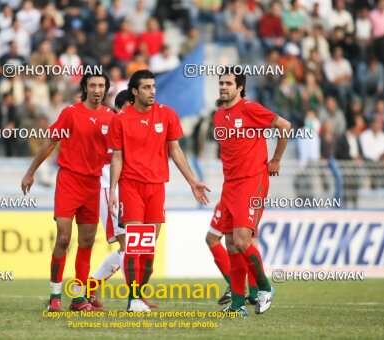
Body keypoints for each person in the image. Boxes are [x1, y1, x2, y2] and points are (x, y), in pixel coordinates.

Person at [108, 70, 210, 312]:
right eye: (146, 87)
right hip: (131, 186)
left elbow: (175, 150)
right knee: (135, 244)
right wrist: (113, 189)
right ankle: (133, 300)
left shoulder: (166, 114)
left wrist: (192, 181)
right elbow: (117, 157)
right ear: (134, 91)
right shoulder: (121, 119)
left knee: (148, 248)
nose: (152, 91)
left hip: (156, 188)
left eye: (153, 86)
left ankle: (139, 296)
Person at [21, 72, 114, 312]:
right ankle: (54, 296)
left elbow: (119, 152)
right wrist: (31, 172)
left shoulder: (110, 117)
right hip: (69, 181)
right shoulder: (70, 113)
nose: (97, 89)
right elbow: (50, 142)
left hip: (93, 184)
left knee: (87, 241)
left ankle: (79, 298)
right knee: (63, 238)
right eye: (92, 85)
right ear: (85, 87)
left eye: (101, 85)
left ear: (106, 89)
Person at [214, 69, 290, 316]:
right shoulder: (218, 116)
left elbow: (285, 126)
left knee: (242, 240)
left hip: (252, 181)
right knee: (231, 244)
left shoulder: (250, 108)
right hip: (230, 185)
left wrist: (276, 159)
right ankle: (237, 305)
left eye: (228, 83)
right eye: (221, 83)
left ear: (240, 88)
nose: (223, 87)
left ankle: (265, 288)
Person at [86, 90, 133, 309]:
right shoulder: (113, 123)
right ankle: (135, 298)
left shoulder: (129, 125)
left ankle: (90, 287)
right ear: (119, 109)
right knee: (126, 245)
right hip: (108, 186)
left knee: (130, 246)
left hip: (126, 188)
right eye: (128, 107)